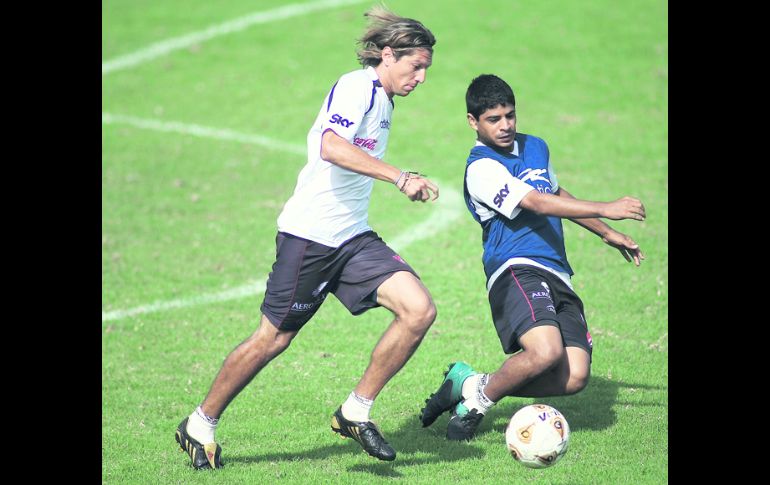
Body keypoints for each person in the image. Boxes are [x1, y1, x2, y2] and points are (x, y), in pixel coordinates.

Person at [175, 5, 439, 468]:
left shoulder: (384, 100)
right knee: (272, 340)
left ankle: (355, 411)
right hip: (309, 238)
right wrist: (399, 178)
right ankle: (200, 422)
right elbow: (331, 147)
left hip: (352, 237)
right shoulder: (357, 87)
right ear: (388, 55)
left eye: (426, 69)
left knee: (418, 310)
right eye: (416, 66)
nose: (421, 77)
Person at [419, 74, 646, 441]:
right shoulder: (481, 168)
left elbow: (552, 192)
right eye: (494, 119)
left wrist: (605, 231)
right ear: (473, 122)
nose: (505, 125)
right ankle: (477, 402)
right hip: (515, 268)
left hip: (557, 270)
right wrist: (608, 206)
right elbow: (534, 202)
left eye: (510, 115)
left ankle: (469, 384)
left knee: (573, 377)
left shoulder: (536, 147)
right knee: (544, 352)